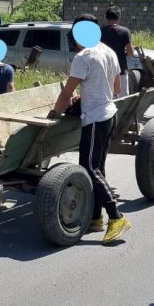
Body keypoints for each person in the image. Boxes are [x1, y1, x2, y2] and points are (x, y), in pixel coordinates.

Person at [49, 15, 131, 244]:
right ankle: (96, 218)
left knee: (89, 168)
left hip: (95, 118)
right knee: (98, 168)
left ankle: (116, 216)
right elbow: (115, 89)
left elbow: (66, 92)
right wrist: (89, 94)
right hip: (109, 114)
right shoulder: (108, 51)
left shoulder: (83, 57)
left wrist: (55, 113)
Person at [100, 6, 134, 98]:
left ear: (106, 17)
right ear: (119, 18)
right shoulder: (125, 31)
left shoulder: (100, 31)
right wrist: (123, 56)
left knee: (107, 98)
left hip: (104, 71)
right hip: (121, 70)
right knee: (123, 98)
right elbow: (131, 52)